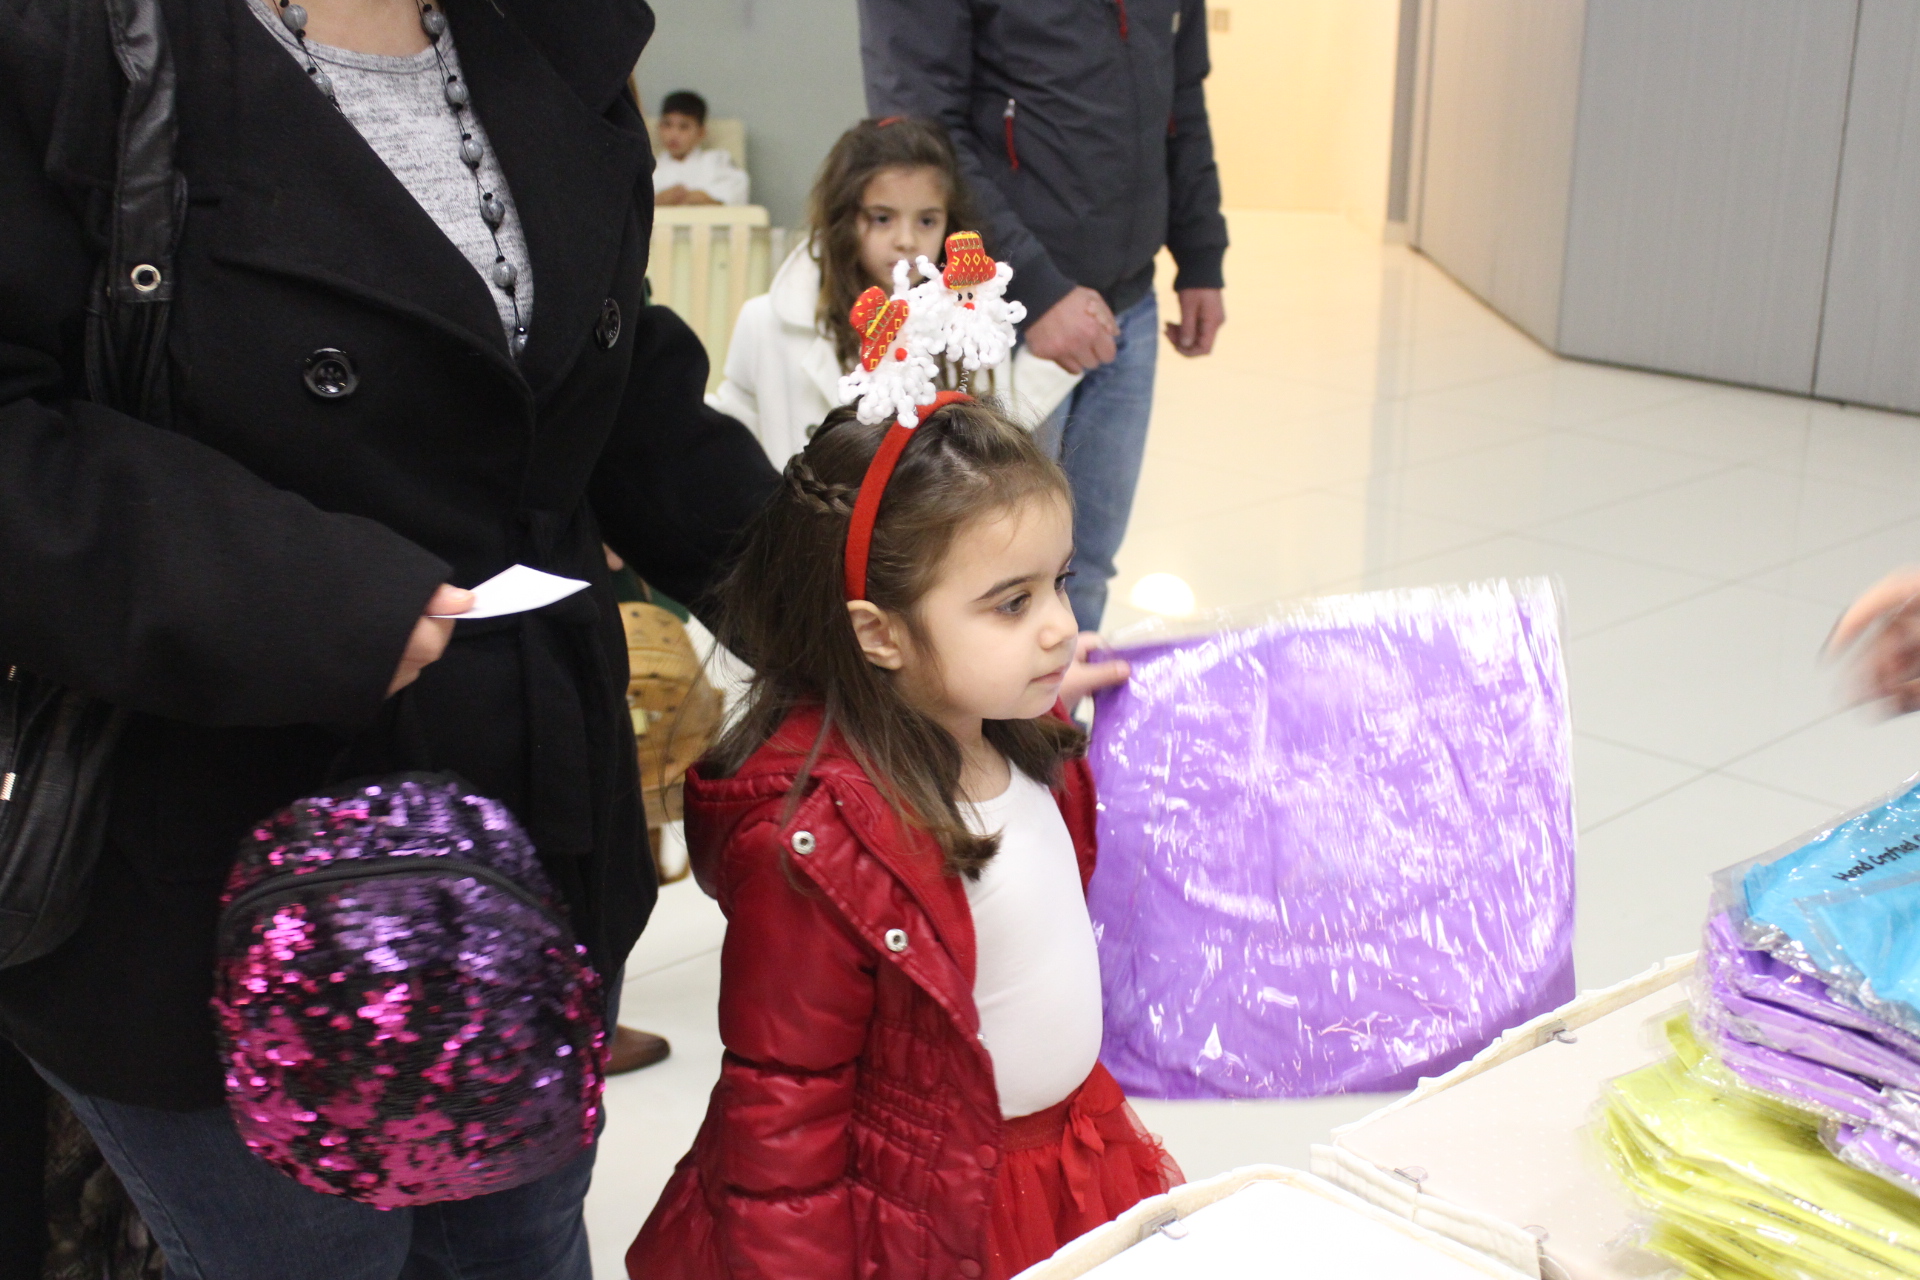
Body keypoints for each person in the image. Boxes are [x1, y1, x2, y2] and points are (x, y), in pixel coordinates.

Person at [0, 1, 777, 1275]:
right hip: (218, 889)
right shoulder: (74, 44)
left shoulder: (540, 29)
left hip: (529, 855)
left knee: (520, 1248)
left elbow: (605, 378)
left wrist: (846, 598)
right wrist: (303, 592)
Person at [626, 396, 1175, 1280]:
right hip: (939, 1210)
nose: (1060, 625)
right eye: (1011, 603)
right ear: (879, 634)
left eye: (1060, 582)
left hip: (1070, 1154)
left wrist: (1048, 691)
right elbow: (784, 1115)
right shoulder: (819, 849)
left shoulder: (1024, 747)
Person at [860, 0, 1230, 629]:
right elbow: (921, 129)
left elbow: (1179, 98)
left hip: (1129, 302)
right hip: (997, 316)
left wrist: (1200, 254)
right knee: (994, 577)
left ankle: (1064, 697)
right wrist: (1033, 282)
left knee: (1087, 567)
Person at [711, 115, 1077, 465]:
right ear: (843, 217)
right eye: (883, 218)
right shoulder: (764, 324)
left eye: (927, 220)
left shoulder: (969, 330)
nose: (906, 240)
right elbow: (729, 447)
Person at [652, 90, 750, 207]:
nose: (673, 134)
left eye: (683, 127)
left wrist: (707, 199)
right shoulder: (649, 167)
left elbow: (737, 191)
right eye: (667, 125)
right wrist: (657, 201)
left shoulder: (717, 161)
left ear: (701, 132)